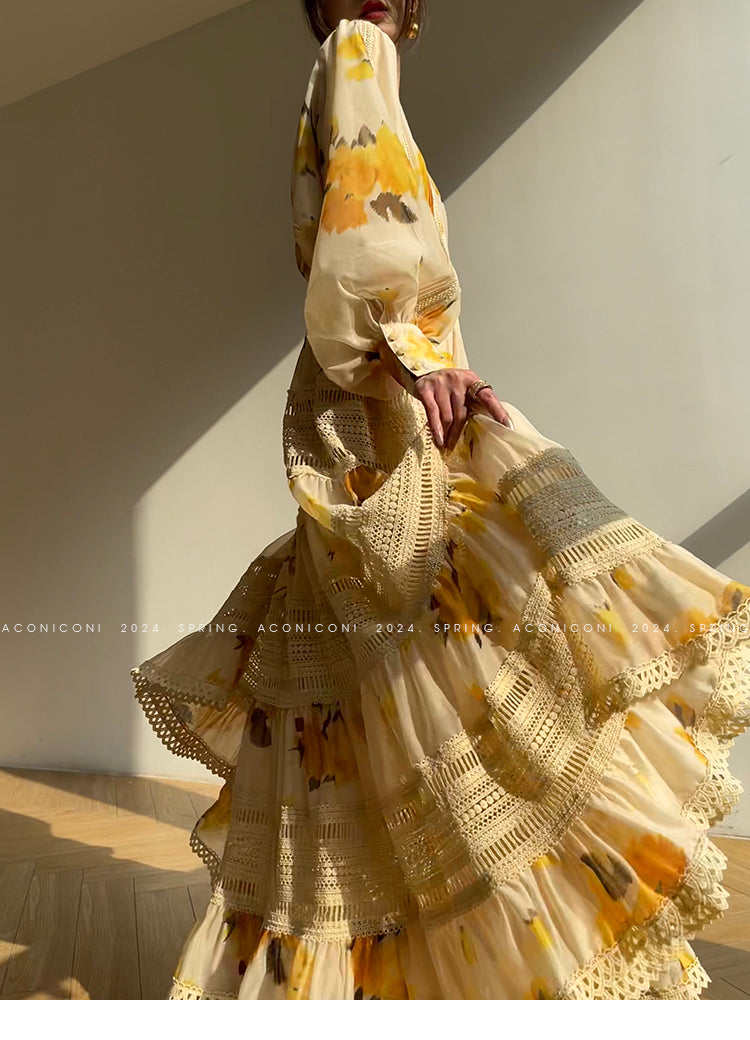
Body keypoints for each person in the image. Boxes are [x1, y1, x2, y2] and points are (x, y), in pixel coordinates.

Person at [130, 0, 750, 999]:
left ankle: (400, 982)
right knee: (438, 671)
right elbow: (366, 227)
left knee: (390, 695)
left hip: (370, 402)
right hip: (386, 400)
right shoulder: (356, 51)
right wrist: (415, 356)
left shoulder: (351, 67)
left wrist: (411, 358)